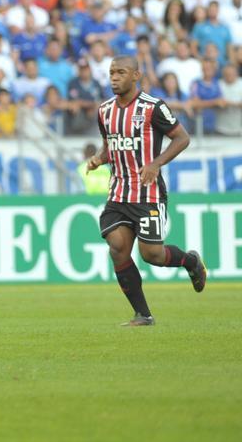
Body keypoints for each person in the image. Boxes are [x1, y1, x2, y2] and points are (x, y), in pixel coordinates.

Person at [85, 55, 208, 326]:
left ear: (136, 76)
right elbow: (111, 146)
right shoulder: (104, 110)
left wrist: (156, 162)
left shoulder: (153, 107)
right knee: (117, 247)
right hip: (118, 192)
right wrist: (98, 158)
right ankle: (143, 314)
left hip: (148, 193)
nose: (114, 77)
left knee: (151, 254)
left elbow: (182, 137)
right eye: (111, 73)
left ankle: (190, 262)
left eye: (121, 72)